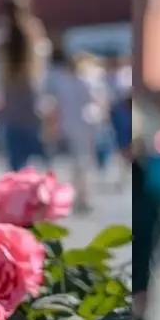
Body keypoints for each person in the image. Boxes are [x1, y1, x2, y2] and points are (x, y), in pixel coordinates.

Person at [0, 0, 48, 171]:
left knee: (16, 158)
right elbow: (41, 66)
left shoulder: (2, 35)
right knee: (38, 152)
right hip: (30, 95)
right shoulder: (33, 31)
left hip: (11, 96)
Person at [43, 39, 97, 211]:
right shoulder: (85, 80)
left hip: (69, 123)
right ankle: (81, 196)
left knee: (74, 162)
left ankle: (75, 195)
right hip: (84, 123)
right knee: (83, 161)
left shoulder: (62, 81)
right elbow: (95, 101)